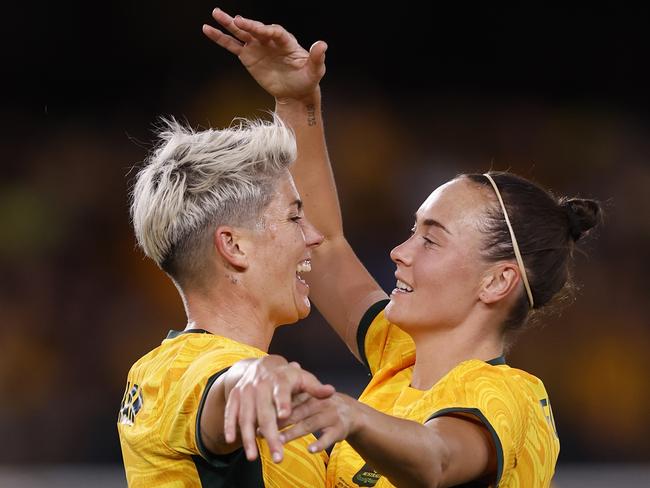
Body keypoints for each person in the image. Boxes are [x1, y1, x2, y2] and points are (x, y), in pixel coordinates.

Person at [203, 9, 602, 488]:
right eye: (412, 231)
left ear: (497, 281)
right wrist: (296, 100)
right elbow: (324, 246)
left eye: (430, 239)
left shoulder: (512, 396)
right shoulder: (398, 356)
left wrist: (352, 415)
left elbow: (436, 460)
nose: (399, 251)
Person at [116, 116, 336, 487]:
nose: (313, 236)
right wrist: (254, 374)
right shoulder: (169, 373)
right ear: (234, 246)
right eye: (294, 216)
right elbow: (221, 387)